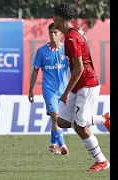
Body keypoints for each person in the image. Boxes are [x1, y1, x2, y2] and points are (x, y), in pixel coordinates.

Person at [52, 3, 110, 171]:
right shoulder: (75, 32)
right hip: (80, 85)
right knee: (62, 122)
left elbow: (79, 68)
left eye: (54, 16)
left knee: (80, 127)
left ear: (58, 18)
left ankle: (102, 161)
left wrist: (66, 92)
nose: (52, 20)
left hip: (87, 85)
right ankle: (103, 119)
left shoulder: (71, 38)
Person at [28, 23, 69, 155]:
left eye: (55, 32)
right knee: (55, 117)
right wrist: (31, 89)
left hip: (63, 90)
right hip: (48, 89)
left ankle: (52, 145)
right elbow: (35, 71)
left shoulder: (67, 49)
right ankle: (62, 146)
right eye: (50, 32)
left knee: (57, 119)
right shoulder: (41, 51)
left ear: (60, 34)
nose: (52, 35)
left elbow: (75, 67)